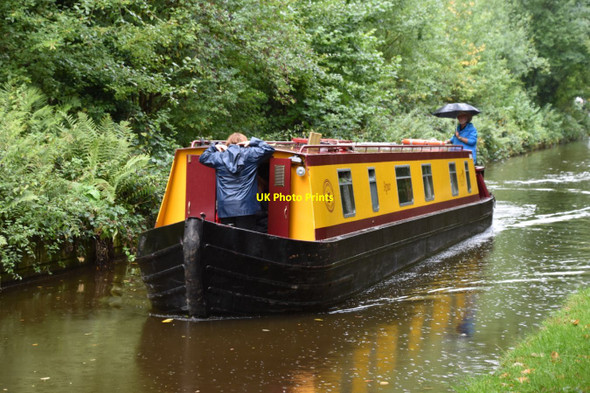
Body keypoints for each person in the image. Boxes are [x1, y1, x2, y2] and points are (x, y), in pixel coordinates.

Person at [199, 132, 274, 230]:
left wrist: (214, 147)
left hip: (226, 207)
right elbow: (269, 149)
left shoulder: (219, 157)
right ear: (244, 142)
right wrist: (253, 142)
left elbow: (202, 158)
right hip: (246, 208)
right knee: (246, 238)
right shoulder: (251, 154)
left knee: (228, 239)